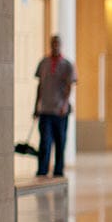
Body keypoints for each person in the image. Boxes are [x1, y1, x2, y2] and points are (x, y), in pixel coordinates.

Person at [34, 34, 76, 177]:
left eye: (57, 43)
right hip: (45, 109)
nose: (55, 45)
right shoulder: (43, 63)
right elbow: (40, 86)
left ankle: (58, 170)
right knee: (45, 142)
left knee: (60, 142)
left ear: (61, 45)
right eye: (53, 43)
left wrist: (64, 105)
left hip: (60, 111)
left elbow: (70, 86)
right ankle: (42, 170)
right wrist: (36, 107)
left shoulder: (67, 65)